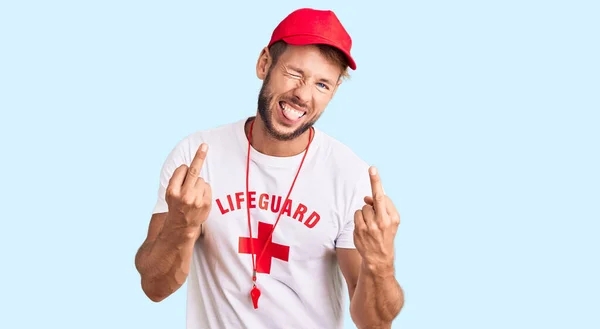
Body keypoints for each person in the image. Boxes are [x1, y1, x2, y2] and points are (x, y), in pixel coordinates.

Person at [135, 7, 404, 329]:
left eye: (322, 85)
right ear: (265, 63)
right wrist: (181, 224)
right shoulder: (197, 157)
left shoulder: (350, 177)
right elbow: (154, 288)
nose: (303, 95)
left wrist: (381, 262)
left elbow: (373, 324)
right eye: (295, 74)